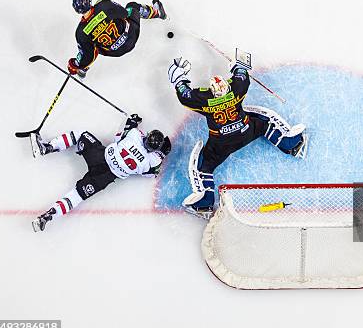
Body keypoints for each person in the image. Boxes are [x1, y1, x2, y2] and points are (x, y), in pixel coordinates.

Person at [167, 56, 308, 218]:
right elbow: (242, 77)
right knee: (264, 123)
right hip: (246, 131)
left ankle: (204, 204)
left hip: (221, 143)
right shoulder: (236, 91)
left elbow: (185, 95)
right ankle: (291, 144)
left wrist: (179, 78)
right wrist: (237, 66)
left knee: (204, 167)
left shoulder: (205, 101)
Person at [29, 115, 172, 232]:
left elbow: (119, 136)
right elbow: (153, 173)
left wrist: (133, 121)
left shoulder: (134, 135)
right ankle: (47, 217)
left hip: (98, 156)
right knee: (77, 195)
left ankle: (47, 147)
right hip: (103, 178)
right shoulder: (149, 162)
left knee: (81, 135)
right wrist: (163, 153)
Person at [68, 0, 167, 78]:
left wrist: (75, 65)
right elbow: (124, 13)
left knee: (88, 47)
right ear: (89, 0)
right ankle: (157, 12)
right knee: (132, 6)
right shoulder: (104, 5)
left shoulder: (80, 32)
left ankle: (82, 68)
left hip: (116, 52)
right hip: (131, 35)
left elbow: (89, 55)